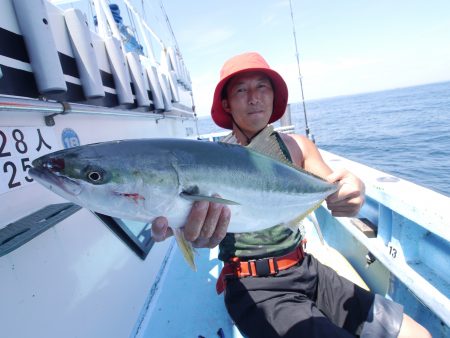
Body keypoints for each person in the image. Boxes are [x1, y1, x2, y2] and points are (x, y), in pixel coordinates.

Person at [152, 52, 430, 338]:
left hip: (308, 269)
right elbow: (188, 219)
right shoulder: (214, 160)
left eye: (262, 86)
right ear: (226, 103)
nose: (254, 97)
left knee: (417, 334)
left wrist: (352, 189)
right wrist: (181, 229)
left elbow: (333, 185)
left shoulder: (299, 147)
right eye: (240, 90)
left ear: (273, 95)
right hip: (254, 287)